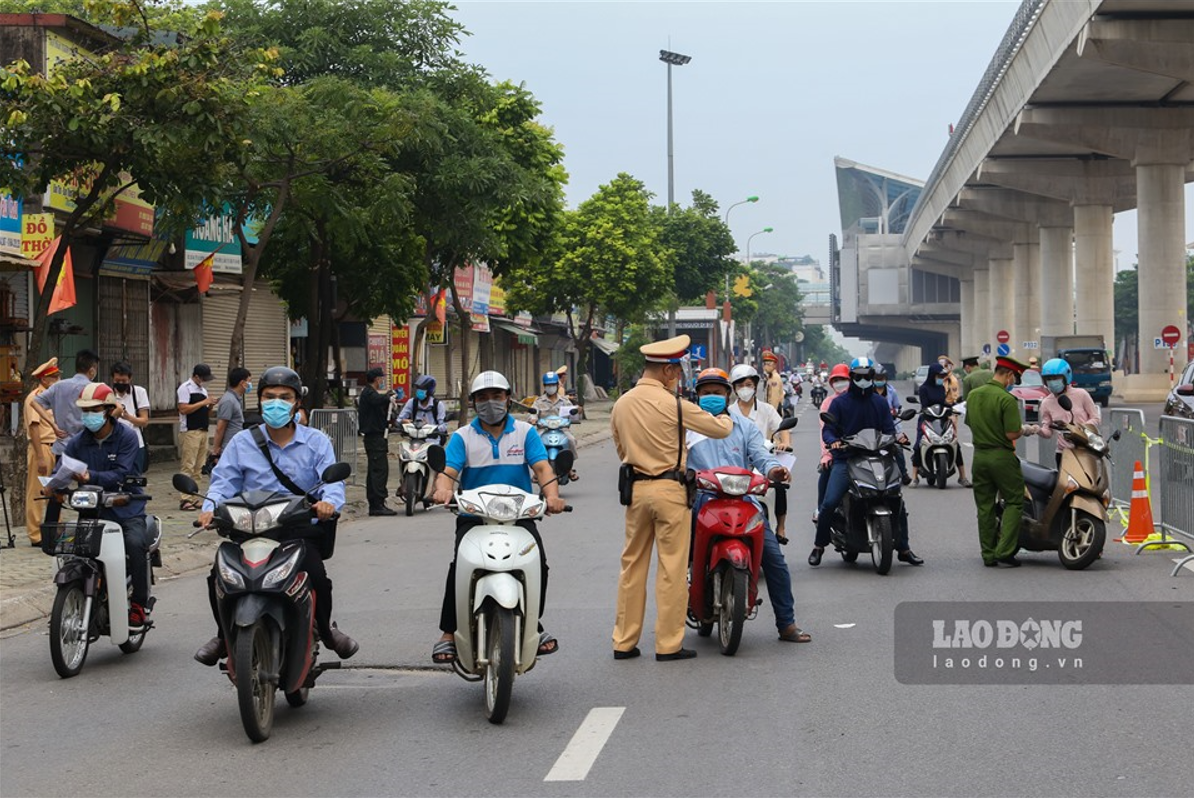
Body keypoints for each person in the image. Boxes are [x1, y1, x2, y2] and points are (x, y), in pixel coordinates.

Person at [194, 366, 358, 665]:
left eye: (285, 397)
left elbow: (332, 484)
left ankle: (325, 629)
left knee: (317, 575)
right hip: (248, 530)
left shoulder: (316, 442)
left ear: (297, 402)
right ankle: (222, 635)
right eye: (270, 397)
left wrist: (328, 504)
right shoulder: (242, 442)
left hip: (296, 530)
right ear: (260, 400)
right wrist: (209, 509)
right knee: (218, 575)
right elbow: (222, 482)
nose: (276, 403)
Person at [610, 334, 733, 662]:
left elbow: (620, 447)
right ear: (666, 371)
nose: (678, 376)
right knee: (672, 568)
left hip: (635, 490)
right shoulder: (674, 404)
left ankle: (624, 641)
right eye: (676, 370)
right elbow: (720, 431)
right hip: (669, 490)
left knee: (632, 566)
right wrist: (724, 415)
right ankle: (667, 644)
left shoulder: (621, 404)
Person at [430, 371, 565, 663]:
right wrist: (442, 491)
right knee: (460, 567)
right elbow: (447, 474)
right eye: (482, 398)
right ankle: (448, 634)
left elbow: (542, 469)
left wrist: (551, 497)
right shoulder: (462, 437)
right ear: (474, 403)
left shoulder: (525, 433)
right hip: (473, 514)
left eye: (496, 396)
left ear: (508, 398)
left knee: (538, 565)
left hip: (519, 514)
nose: (490, 403)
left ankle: (533, 625)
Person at [688, 368, 810, 643]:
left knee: (775, 560)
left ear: (727, 395)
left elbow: (761, 456)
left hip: (743, 499)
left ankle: (786, 623)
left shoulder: (744, 426)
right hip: (702, 499)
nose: (711, 398)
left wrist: (774, 470)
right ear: (697, 396)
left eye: (717, 393)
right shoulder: (687, 426)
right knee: (678, 556)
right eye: (706, 393)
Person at [50, 383, 150, 627]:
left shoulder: (126, 436)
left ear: (106, 410)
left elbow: (122, 472)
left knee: (136, 544)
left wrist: (89, 477)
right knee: (70, 549)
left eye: (94, 410)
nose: (88, 416)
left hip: (126, 507)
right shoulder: (77, 441)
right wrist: (54, 486)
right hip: (91, 508)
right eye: (85, 411)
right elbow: (62, 468)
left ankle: (139, 604)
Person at [809, 357, 923, 567]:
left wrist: (897, 439)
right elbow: (829, 430)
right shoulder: (839, 403)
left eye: (867, 376)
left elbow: (889, 429)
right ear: (852, 377)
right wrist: (833, 442)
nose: (863, 380)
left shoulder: (880, 403)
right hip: (847, 459)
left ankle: (904, 548)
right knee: (829, 503)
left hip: (878, 457)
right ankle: (819, 546)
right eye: (859, 376)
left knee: (897, 500)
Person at [964, 356, 1032, 567]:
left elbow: (969, 422)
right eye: (1014, 378)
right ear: (1009, 375)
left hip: (979, 457)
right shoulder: (1006, 399)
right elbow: (1012, 433)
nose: (1013, 382)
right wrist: (1026, 429)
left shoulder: (974, 396)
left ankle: (988, 554)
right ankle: (1005, 550)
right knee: (1014, 501)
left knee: (985, 506)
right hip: (1001, 457)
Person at [33, 349, 100, 528]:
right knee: (86, 491)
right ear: (92, 370)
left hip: (62, 447)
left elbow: (35, 402)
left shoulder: (59, 386)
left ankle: (50, 531)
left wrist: (53, 424)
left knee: (57, 491)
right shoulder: (92, 388)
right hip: (86, 447)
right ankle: (85, 529)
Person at [728, 363, 791, 541]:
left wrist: (784, 442)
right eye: (740, 386)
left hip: (762, 458)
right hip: (736, 462)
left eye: (748, 385)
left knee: (779, 485)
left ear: (755, 386)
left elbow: (782, 428)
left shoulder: (767, 409)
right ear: (733, 388)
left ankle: (780, 527)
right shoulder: (729, 412)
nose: (745, 389)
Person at [910, 362, 971, 488]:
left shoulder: (941, 388)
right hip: (927, 419)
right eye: (938, 375)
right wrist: (927, 410)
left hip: (942, 418)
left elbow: (943, 403)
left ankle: (963, 477)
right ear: (932, 375)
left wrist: (953, 407)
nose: (941, 378)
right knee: (918, 444)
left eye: (942, 376)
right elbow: (924, 405)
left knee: (954, 444)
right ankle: (914, 477)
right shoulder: (923, 389)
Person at [23, 358, 60, 545]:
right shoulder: (35, 397)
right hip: (42, 447)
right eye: (54, 377)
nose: (58, 379)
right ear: (44, 379)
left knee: (56, 492)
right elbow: (35, 428)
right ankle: (36, 534)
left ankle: (55, 530)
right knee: (37, 492)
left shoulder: (54, 397)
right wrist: (39, 457)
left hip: (57, 447)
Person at [1035, 358, 1101, 460]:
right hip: (1063, 453)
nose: (1052, 382)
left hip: (1086, 449)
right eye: (1048, 379)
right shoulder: (1046, 403)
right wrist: (1037, 430)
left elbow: (1095, 418)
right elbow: (1048, 431)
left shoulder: (1081, 394)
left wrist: (1079, 429)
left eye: (1056, 378)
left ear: (1066, 377)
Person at [177, 363, 217, 510]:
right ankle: (185, 498)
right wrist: (203, 402)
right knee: (188, 465)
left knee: (199, 466)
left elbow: (205, 412)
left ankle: (194, 496)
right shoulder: (185, 388)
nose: (204, 381)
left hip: (203, 430)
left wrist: (210, 405)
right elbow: (183, 409)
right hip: (190, 431)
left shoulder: (203, 390)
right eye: (203, 378)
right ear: (196, 376)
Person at [814, 364, 851, 519]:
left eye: (843, 379)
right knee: (826, 471)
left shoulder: (861, 399)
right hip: (838, 449)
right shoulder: (828, 403)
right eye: (836, 380)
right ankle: (821, 510)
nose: (839, 383)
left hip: (863, 448)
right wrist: (827, 454)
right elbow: (825, 430)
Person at [358, 367, 397, 516]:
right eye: (381, 378)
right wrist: (388, 396)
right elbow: (378, 400)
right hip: (374, 438)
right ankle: (377, 504)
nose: (382, 381)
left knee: (378, 470)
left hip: (378, 437)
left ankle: (377, 502)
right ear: (376, 379)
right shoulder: (369, 394)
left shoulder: (370, 394)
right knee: (378, 471)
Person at [530, 370, 579, 480]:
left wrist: (576, 413)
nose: (550, 387)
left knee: (571, 440)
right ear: (544, 386)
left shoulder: (564, 401)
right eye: (548, 385)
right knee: (535, 441)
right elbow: (533, 413)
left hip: (562, 429)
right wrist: (533, 419)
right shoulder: (538, 401)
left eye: (552, 385)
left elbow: (572, 413)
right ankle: (537, 470)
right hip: (544, 429)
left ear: (557, 385)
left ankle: (569, 467)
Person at [109, 362, 151, 474]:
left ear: (130, 378)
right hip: (113, 444)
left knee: (134, 478)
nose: (121, 383)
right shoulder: (108, 394)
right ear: (113, 378)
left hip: (136, 444)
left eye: (124, 381)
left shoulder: (139, 392)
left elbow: (144, 421)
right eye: (117, 381)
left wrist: (128, 417)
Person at [873, 363, 912, 485]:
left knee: (899, 449)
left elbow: (898, 408)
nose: (879, 381)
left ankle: (904, 474)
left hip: (890, 427)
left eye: (881, 378)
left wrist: (895, 414)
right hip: (871, 428)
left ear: (885, 379)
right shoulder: (868, 393)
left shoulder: (891, 391)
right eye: (877, 379)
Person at [212, 367, 250, 462]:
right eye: (249, 381)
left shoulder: (235, 399)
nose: (250, 385)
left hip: (236, 446)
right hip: (229, 448)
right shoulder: (229, 400)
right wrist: (216, 451)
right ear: (242, 383)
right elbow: (220, 428)